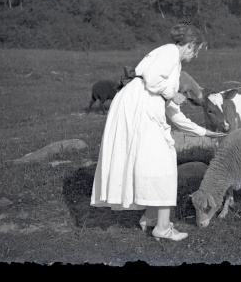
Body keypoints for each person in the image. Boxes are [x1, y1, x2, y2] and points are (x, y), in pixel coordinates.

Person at [90, 23, 226, 242]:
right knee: (163, 162)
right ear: (190, 46)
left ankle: (151, 217)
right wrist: (173, 93)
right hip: (139, 106)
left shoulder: (169, 60)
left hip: (140, 104)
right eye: (197, 49)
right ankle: (162, 227)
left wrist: (203, 132)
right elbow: (154, 81)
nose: (197, 55)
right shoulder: (170, 52)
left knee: (154, 161)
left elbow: (173, 112)